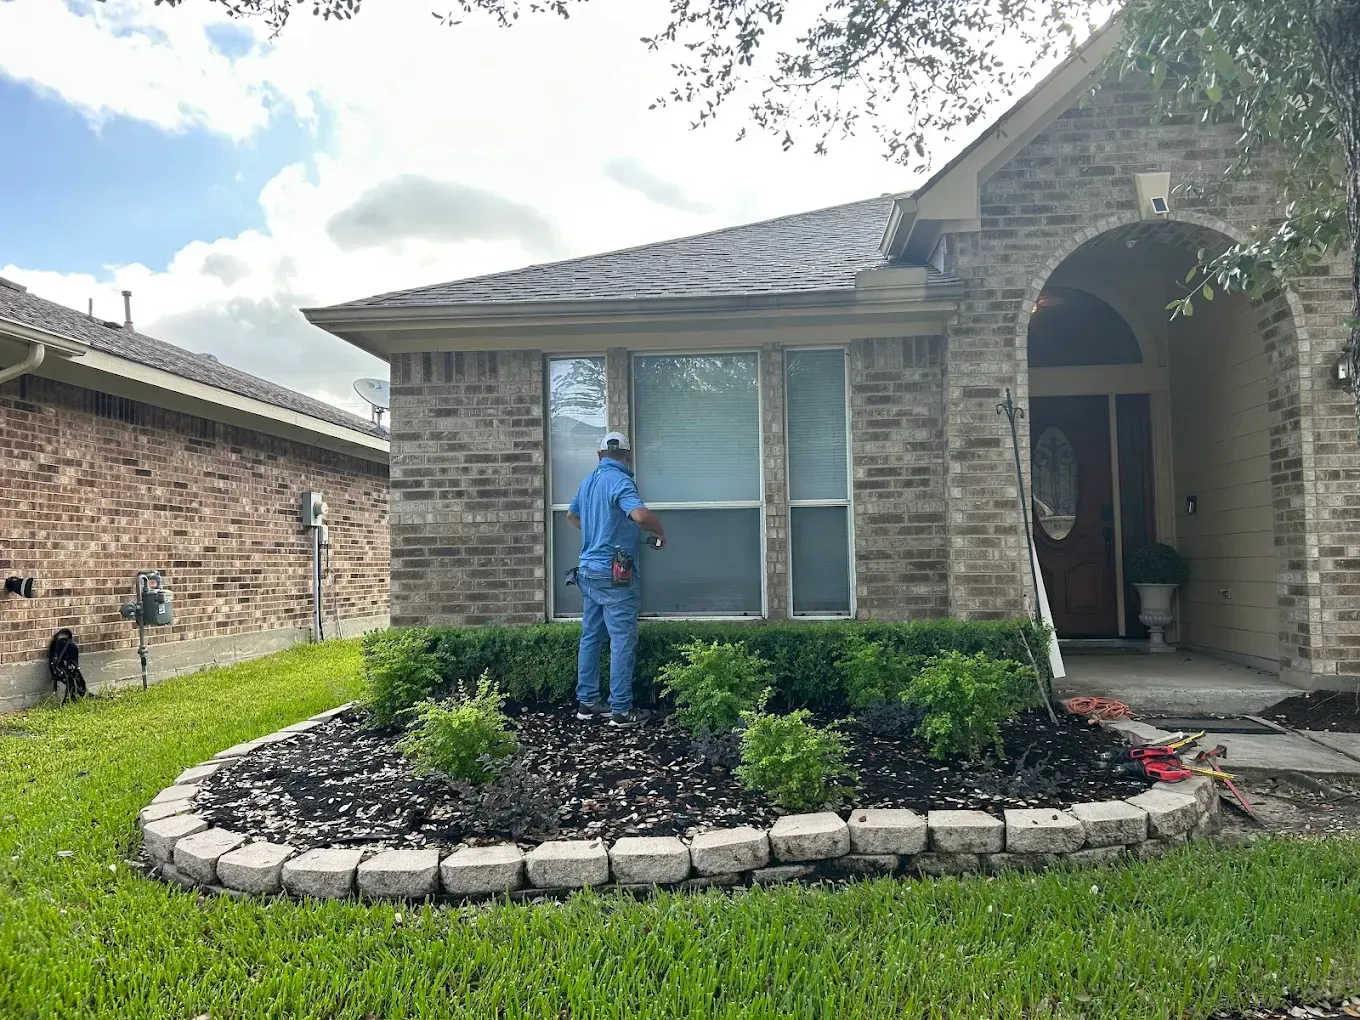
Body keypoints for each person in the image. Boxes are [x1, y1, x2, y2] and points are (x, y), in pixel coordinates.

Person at [567, 431, 666, 728]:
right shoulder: (621, 480)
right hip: (615, 573)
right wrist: (660, 532)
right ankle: (621, 710)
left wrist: (596, 534)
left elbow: (572, 517)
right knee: (622, 638)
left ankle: (587, 703)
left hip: (588, 570)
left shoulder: (588, 482)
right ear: (627, 456)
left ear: (599, 456)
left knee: (592, 636)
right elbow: (639, 515)